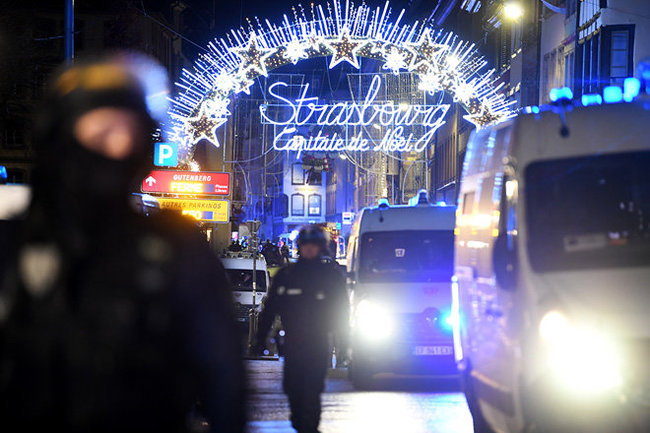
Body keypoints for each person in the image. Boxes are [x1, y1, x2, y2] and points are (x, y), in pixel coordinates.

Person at [0, 54, 245, 433]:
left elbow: (223, 375)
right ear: (61, 135)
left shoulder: (174, 247)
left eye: (130, 135)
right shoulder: (15, 242)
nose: (117, 147)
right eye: (101, 133)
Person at [254, 225, 349, 433]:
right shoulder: (287, 275)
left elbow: (342, 311)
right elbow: (270, 309)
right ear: (299, 247)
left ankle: (310, 426)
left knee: (313, 388)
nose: (309, 249)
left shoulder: (331, 277)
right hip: (293, 341)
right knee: (292, 386)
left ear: (321, 247)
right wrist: (260, 339)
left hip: (318, 341)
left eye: (314, 245)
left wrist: (344, 343)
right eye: (305, 245)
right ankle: (299, 420)